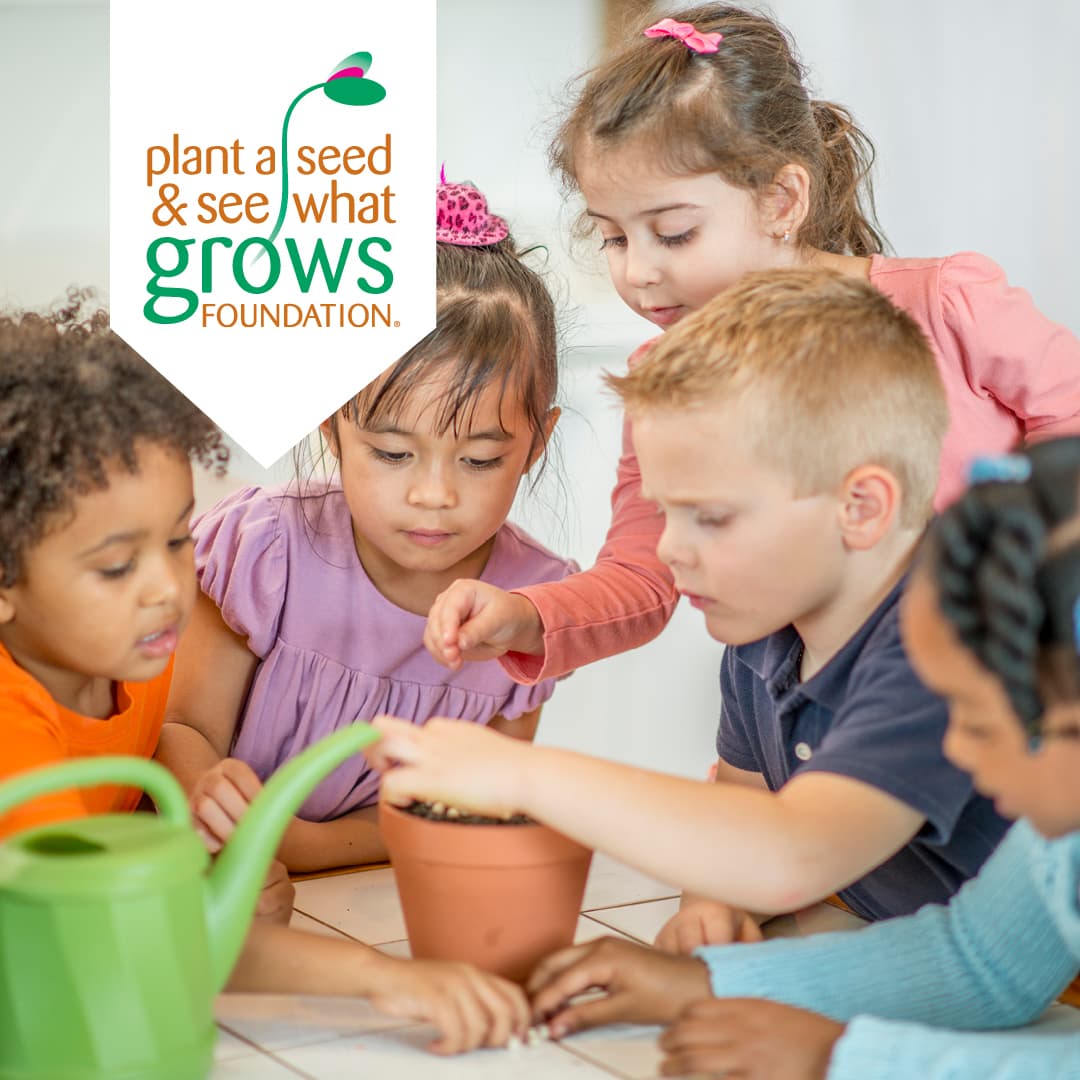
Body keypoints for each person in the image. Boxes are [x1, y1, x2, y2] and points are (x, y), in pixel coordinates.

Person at [424, 2, 1080, 721]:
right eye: (613, 238)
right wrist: (525, 615)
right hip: (819, 724)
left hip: (1000, 712)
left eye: (673, 233)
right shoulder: (667, 384)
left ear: (781, 199)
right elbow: (645, 574)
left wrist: (1006, 564)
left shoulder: (947, 306)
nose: (638, 272)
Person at [369, 270, 1009, 939]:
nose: (671, 550)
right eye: (668, 514)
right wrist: (714, 904)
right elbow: (745, 800)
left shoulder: (946, 639)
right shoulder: (765, 635)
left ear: (861, 508)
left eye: (711, 517)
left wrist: (519, 775)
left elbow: (795, 849)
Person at [0, 298, 532, 1055]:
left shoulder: (134, 667)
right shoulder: (13, 730)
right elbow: (112, 940)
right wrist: (387, 980)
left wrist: (215, 870)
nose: (166, 589)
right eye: (117, 566)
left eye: (180, 539)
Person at [526, 437, 1080, 1080]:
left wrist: (846, 1058)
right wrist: (709, 983)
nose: (955, 749)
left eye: (979, 725)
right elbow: (981, 962)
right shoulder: (1054, 841)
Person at [155, 178, 576, 873]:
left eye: (478, 458)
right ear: (332, 427)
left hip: (369, 896)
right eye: (390, 453)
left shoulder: (534, 607)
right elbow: (181, 729)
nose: (433, 494)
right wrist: (205, 791)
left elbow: (471, 804)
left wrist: (302, 847)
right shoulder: (268, 550)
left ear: (536, 443)